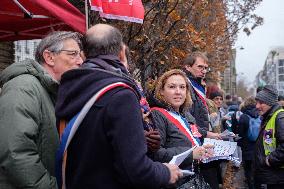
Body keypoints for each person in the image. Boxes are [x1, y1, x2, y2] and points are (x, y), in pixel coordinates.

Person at [55, 24, 181, 189]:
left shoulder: (70, 87)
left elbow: (93, 140)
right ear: (122, 52)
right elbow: (135, 171)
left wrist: (136, 137)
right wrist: (166, 172)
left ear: (84, 55)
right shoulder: (121, 95)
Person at [0, 31, 83, 189]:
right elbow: (15, 153)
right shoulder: (23, 87)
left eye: (80, 55)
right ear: (49, 57)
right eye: (73, 54)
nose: (80, 61)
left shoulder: (50, 90)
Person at [149, 69, 213, 188]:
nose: (178, 92)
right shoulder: (157, 114)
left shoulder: (186, 115)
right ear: (161, 91)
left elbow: (192, 141)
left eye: (182, 87)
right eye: (172, 87)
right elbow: (156, 154)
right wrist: (191, 154)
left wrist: (203, 149)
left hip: (193, 180)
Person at [182, 51, 220, 189]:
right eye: (200, 67)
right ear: (187, 67)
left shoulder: (198, 85)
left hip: (202, 141)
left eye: (205, 68)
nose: (204, 71)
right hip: (194, 144)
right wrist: (207, 133)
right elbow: (187, 118)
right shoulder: (186, 86)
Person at [254, 85, 284, 189]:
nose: (257, 106)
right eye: (256, 102)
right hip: (271, 176)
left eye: (261, 103)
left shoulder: (280, 117)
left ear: (270, 103)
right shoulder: (268, 116)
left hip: (277, 177)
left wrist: (270, 160)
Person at [237, 96, 259, 189]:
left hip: (247, 149)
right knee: (257, 171)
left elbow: (240, 134)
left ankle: (251, 186)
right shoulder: (260, 115)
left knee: (248, 170)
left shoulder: (243, 117)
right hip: (258, 149)